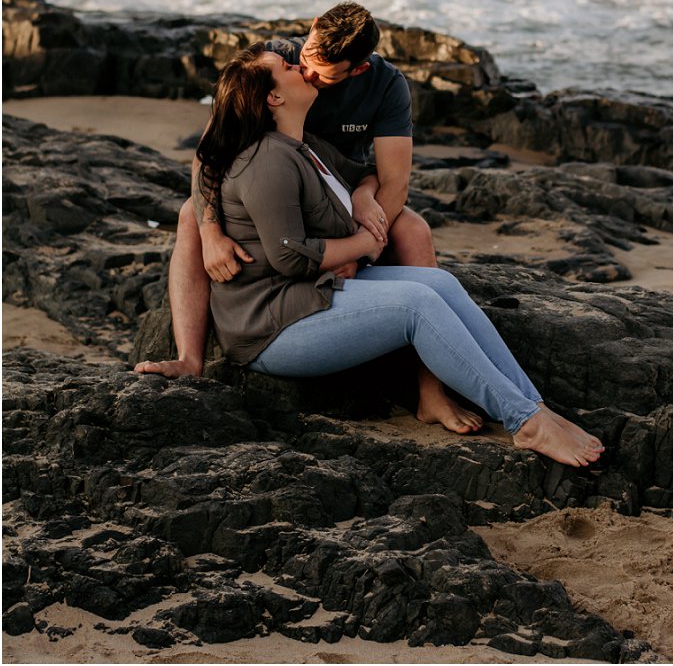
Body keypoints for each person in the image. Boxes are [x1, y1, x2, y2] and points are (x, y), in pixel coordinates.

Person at [178, 42, 604, 468]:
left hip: (308, 294)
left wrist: (364, 198)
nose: (300, 68)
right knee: (416, 305)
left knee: (439, 284)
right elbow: (290, 257)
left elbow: (364, 173)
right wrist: (365, 245)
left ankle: (534, 405)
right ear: (274, 97)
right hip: (269, 328)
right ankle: (524, 422)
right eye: (288, 67)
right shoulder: (267, 162)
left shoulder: (302, 145)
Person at [135, 3, 480, 433]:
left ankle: (431, 392)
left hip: (340, 199)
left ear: (357, 71)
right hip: (269, 191)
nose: (309, 74)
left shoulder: (386, 86)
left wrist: (358, 230)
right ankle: (190, 358)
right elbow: (210, 156)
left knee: (414, 229)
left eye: (325, 73)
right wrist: (210, 231)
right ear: (314, 25)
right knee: (191, 211)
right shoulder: (274, 62)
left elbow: (395, 183)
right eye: (308, 59)